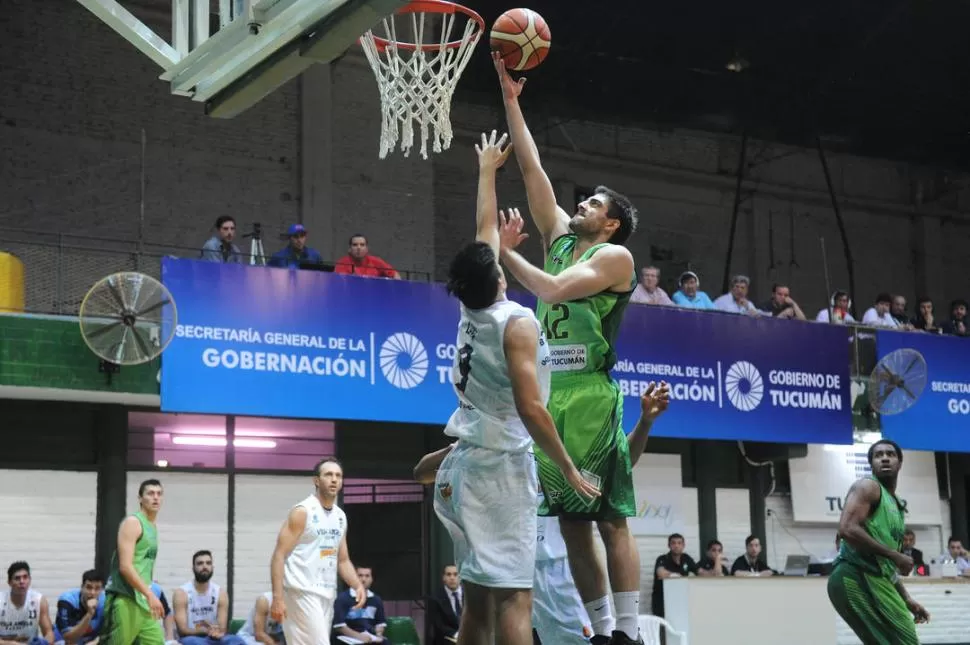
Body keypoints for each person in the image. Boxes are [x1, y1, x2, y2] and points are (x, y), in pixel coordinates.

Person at [492, 52, 643, 645]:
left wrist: (504, 252)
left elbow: (552, 289)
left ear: (609, 225)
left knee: (608, 517)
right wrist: (511, 99)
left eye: (592, 205)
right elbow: (531, 168)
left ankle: (629, 631)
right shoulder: (558, 238)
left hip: (591, 397)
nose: (580, 205)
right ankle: (602, 631)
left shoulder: (614, 258)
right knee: (572, 525)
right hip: (552, 390)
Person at [432, 130, 600, 645]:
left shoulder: (472, 305)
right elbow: (531, 408)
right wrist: (568, 468)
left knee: (479, 603)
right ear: (499, 274)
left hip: (467, 467)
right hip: (500, 474)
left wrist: (487, 170)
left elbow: (484, 231)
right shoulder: (516, 324)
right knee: (515, 598)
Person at [415, 382, 670, 645]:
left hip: (561, 573)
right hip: (513, 571)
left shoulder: (561, 448)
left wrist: (645, 422)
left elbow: (621, 461)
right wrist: (459, 448)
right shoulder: (497, 443)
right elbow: (421, 473)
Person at [828, 440, 930, 645]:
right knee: (904, 640)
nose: (884, 458)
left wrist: (907, 598)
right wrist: (895, 555)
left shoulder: (897, 506)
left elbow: (885, 565)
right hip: (854, 575)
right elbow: (847, 528)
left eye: (890, 454)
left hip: (874, 577)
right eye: (878, 455)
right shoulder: (868, 487)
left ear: (900, 463)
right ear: (872, 464)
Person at [269, 459, 366, 645]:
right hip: (300, 591)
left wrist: (357, 585)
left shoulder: (339, 516)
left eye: (338, 475)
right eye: (328, 474)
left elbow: (343, 559)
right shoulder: (302, 512)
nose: (334, 479)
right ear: (316, 480)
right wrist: (277, 598)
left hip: (326, 594)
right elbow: (279, 555)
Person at [100, 479, 167, 645]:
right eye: (150, 493)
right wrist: (150, 594)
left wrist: (148, 590)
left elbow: (144, 565)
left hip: (143, 601)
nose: (156, 497)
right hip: (125, 597)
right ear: (140, 498)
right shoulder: (133, 523)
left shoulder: (153, 527)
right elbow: (125, 567)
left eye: (159, 494)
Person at [173, 551, 244, 645]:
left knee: (236, 641)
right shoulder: (182, 593)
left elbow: (222, 628)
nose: (204, 566)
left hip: (214, 638)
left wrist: (217, 632)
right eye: (200, 563)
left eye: (208, 563)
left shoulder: (220, 593)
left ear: (212, 567)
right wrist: (204, 630)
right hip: (192, 638)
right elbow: (183, 630)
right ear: (193, 568)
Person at [0, 561, 55, 645]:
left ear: (30, 580)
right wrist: (11, 643)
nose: (22, 581)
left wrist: (43, 642)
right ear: (9, 582)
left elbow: (49, 633)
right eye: (17, 578)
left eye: (25, 577)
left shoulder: (39, 600)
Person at [56, 570, 106, 645]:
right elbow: (69, 638)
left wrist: (96, 642)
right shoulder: (67, 600)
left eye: (97, 588)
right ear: (82, 588)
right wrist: (89, 614)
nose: (92, 593)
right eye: (89, 587)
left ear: (102, 590)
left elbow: (110, 632)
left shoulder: (105, 601)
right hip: (64, 640)